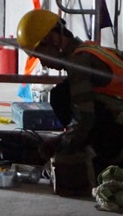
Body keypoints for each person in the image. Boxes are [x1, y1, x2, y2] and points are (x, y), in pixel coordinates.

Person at [16, 9, 123, 173]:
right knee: (64, 92)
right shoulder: (92, 49)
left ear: (52, 39)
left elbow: (86, 118)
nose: (43, 64)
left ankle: (107, 160)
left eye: (39, 56)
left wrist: (63, 149)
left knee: (61, 96)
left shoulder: (78, 63)